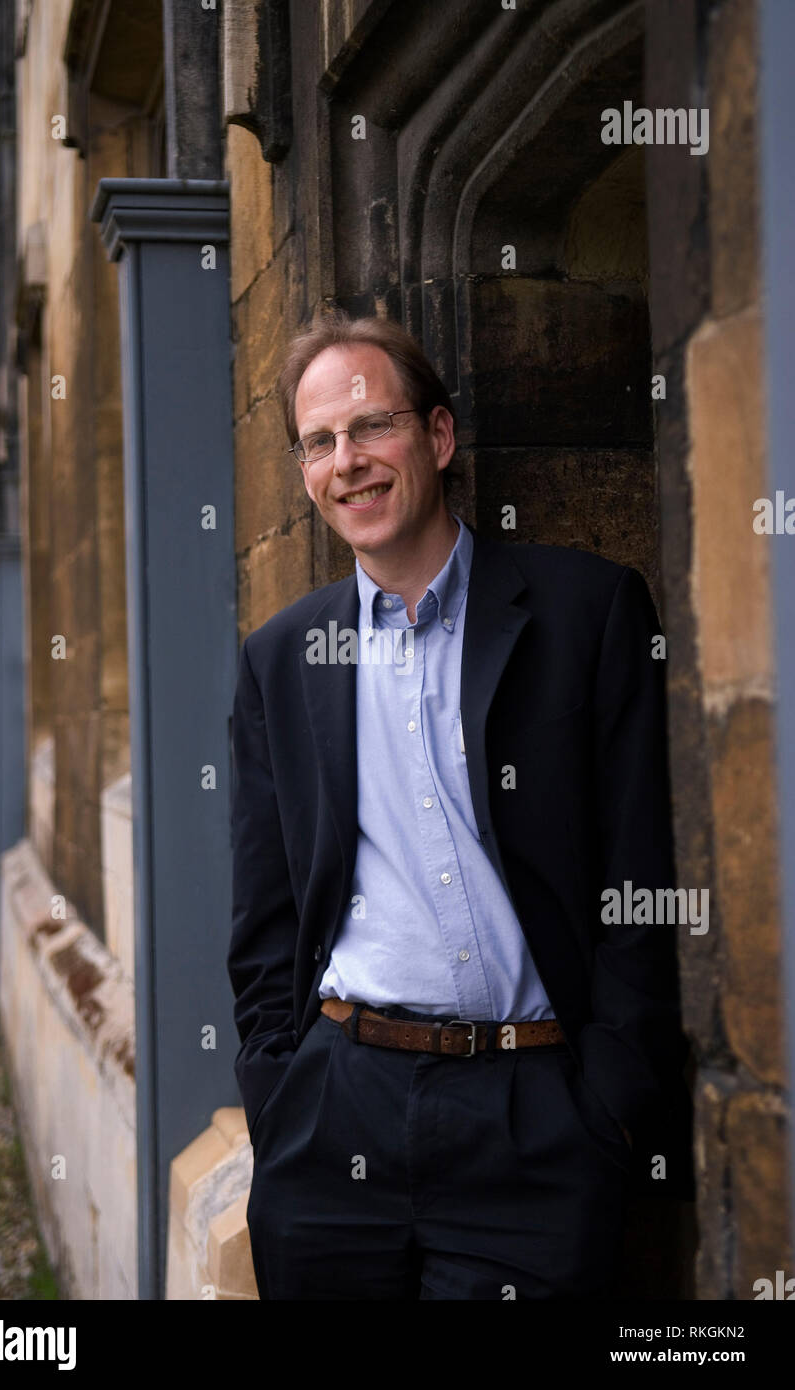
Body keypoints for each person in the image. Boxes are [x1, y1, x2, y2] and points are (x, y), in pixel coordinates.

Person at [227, 310, 694, 1300]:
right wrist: (277, 1089)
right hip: (332, 1117)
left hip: (536, 1118)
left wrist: (611, 1098)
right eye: (320, 442)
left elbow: (640, 873)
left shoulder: (588, 612)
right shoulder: (281, 658)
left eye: (371, 427)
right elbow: (265, 910)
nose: (347, 461)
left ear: (437, 437)